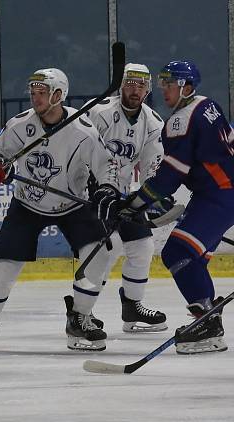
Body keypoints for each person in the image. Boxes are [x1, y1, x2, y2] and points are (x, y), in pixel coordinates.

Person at [0, 68, 120, 352]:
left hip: (71, 203)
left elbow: (107, 165)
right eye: (33, 92)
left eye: (42, 92)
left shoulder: (83, 131)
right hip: (27, 204)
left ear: (58, 95)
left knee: (100, 254)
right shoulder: (20, 125)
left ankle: (80, 316)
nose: (35, 97)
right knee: (6, 266)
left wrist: (107, 188)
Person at [94, 60, 234, 354]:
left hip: (218, 195)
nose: (164, 89)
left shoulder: (179, 121)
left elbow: (171, 176)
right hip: (218, 193)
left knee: (177, 251)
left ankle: (208, 325)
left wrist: (135, 202)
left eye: (170, 84)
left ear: (186, 86)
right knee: (193, 257)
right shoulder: (209, 105)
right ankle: (207, 316)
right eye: (163, 84)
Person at [84, 63, 168, 333]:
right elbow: (78, 151)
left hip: (119, 195)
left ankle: (132, 307)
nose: (135, 89)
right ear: (121, 85)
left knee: (143, 246)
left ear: (148, 89)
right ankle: (81, 311)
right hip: (88, 193)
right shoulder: (98, 112)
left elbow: (151, 167)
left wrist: (151, 197)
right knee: (109, 247)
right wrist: (90, 188)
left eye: (141, 85)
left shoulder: (153, 122)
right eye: (130, 83)